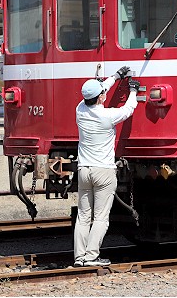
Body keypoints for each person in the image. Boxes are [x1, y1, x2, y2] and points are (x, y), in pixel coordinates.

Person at [74, 66, 140, 267]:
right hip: (103, 171)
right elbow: (128, 109)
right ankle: (92, 256)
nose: (105, 93)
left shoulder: (80, 110)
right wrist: (133, 90)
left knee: (83, 217)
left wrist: (114, 77)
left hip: (84, 170)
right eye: (103, 93)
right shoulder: (107, 116)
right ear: (101, 98)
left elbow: (99, 89)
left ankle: (79, 257)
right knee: (101, 218)